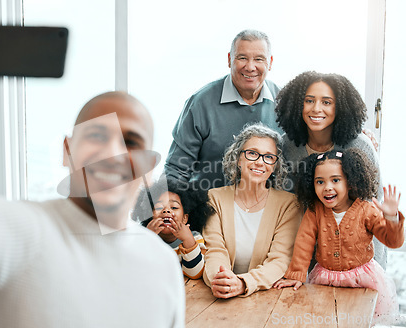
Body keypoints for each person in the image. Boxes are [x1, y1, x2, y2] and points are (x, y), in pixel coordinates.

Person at [0, 10, 185, 328]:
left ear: (150, 168)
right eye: (97, 135)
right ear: (68, 152)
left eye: (131, 140)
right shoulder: (21, 232)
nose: (113, 152)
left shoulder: (162, 264)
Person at [273, 149, 404, 325]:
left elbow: (393, 242)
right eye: (320, 181)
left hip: (363, 281)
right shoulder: (315, 210)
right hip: (325, 280)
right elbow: (304, 242)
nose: (327, 187)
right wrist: (295, 275)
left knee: (358, 321)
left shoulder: (366, 209)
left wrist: (391, 218)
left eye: (335, 180)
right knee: (324, 321)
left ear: (350, 182)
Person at [274, 71, 387, 268]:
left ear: (340, 107)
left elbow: (375, 206)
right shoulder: (287, 147)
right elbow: (283, 205)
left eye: (327, 102)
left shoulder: (360, 146)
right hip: (302, 252)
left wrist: (376, 268)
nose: (316, 109)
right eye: (309, 100)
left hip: (356, 260)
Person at [164, 29, 282, 191]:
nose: (250, 67)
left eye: (259, 59)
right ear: (229, 59)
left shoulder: (284, 103)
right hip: (207, 206)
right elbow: (177, 169)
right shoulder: (200, 103)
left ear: (270, 62)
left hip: (268, 210)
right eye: (242, 58)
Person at [202, 123, 302, 298]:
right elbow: (214, 250)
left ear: (275, 166)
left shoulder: (289, 204)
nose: (259, 162)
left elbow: (280, 260)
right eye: (252, 153)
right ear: (238, 158)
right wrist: (220, 280)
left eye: (269, 157)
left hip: (269, 297)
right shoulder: (214, 198)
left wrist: (243, 283)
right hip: (219, 295)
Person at [132, 178, 214, 279]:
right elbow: (136, 270)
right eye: (159, 207)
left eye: (174, 207)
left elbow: (195, 273)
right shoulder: (141, 238)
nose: (166, 210)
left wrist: (188, 240)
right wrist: (148, 239)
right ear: (149, 216)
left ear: (185, 218)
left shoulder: (194, 238)